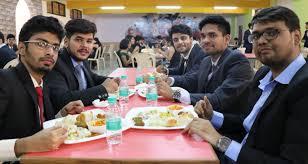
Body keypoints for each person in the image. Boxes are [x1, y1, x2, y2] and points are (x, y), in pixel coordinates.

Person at [184, 6, 308, 164]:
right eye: (256, 36)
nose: (261, 41)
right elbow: (248, 122)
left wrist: (220, 140)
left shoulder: (303, 87)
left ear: (296, 37)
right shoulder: (264, 74)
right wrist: (212, 116)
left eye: (271, 33)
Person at [0, 15, 84, 162]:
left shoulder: (42, 83)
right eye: (41, 43)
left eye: (55, 47)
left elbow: (38, 127)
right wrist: (23, 145)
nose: (50, 52)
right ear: (21, 48)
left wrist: (61, 114)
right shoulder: (4, 81)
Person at [157, 15, 253, 118]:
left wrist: (175, 94)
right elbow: (192, 81)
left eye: (212, 35)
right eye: (203, 36)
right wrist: (168, 81)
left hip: (226, 126)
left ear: (226, 39)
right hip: (201, 117)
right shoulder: (207, 61)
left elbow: (218, 98)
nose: (205, 40)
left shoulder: (237, 60)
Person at [45, 19, 119, 111]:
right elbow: (63, 99)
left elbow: (92, 77)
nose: (85, 46)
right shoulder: (56, 63)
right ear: (66, 42)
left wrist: (112, 80)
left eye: (89, 41)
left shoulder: (81, 58)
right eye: (79, 40)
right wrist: (104, 89)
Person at [156, 24, 207, 92]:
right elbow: (180, 70)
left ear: (191, 39)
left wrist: (170, 79)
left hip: (195, 97)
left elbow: (192, 78)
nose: (179, 42)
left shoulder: (200, 53)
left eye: (183, 38)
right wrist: (166, 70)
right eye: (175, 40)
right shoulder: (185, 53)